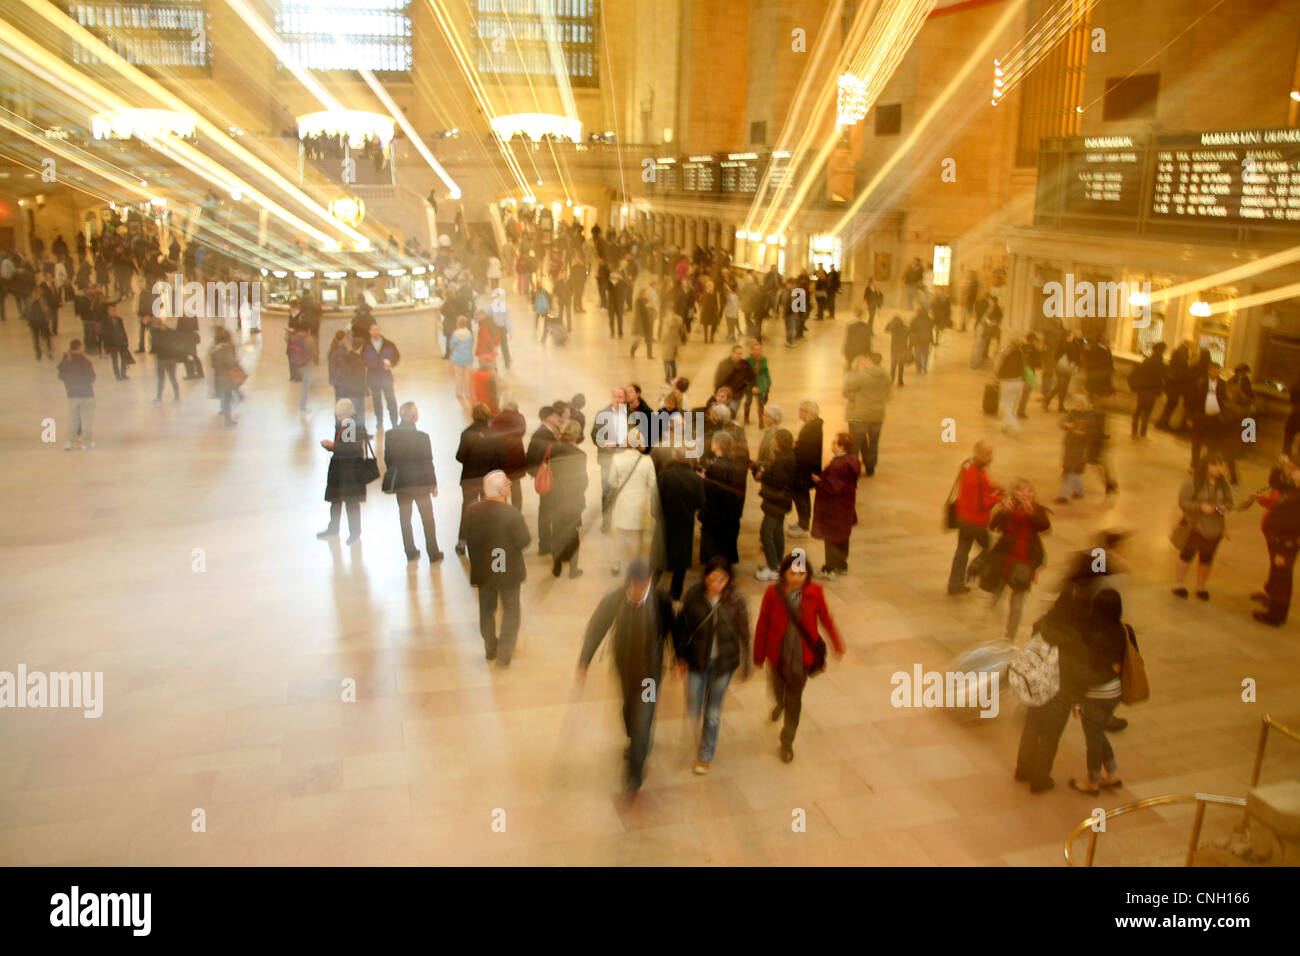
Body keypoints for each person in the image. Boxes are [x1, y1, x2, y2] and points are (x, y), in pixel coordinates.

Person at [577, 559, 676, 793]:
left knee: (644, 716)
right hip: (625, 668)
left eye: (643, 586)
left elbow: (674, 628)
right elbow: (596, 627)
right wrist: (585, 660)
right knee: (629, 710)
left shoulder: (660, 600)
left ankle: (635, 772)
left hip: (651, 673)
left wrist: (680, 657)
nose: (638, 590)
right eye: (635, 585)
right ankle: (636, 741)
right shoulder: (615, 598)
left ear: (650, 580)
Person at [752, 551, 846, 763]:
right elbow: (762, 623)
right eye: (792, 573)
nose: (796, 578)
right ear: (784, 573)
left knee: (794, 698)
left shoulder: (816, 593)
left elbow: (826, 619)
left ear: (807, 574)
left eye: (801, 573)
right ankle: (779, 703)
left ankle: (787, 741)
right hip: (777, 652)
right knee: (777, 688)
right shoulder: (772, 593)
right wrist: (758, 654)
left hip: (802, 655)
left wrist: (837, 643)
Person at [672, 557, 751, 774]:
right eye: (713, 578)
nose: (717, 584)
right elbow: (682, 629)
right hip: (697, 661)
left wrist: (746, 664)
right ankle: (695, 736)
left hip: (723, 664)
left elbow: (744, 634)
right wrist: (679, 658)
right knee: (694, 705)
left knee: (713, 711)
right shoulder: (694, 597)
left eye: (722, 579)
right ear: (705, 577)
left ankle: (706, 752)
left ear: (729, 579)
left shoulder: (735, 601)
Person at [1014, 579, 1091, 793]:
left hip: (1038, 685)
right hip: (1061, 693)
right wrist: (1079, 699)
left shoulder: (1041, 625)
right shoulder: (1077, 639)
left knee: (1031, 727)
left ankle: (1023, 769)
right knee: (1049, 737)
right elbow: (1080, 672)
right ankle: (1040, 780)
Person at [463, 470, 530, 665]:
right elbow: (524, 540)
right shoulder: (510, 512)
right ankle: (505, 653)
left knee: (486, 610)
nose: (510, 486)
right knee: (511, 609)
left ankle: (490, 647)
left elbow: (467, 535)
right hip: (506, 569)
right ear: (501, 490)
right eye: (507, 484)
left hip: (484, 569)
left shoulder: (471, 510)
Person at [1068, 588, 1129, 794]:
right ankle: (1113, 773)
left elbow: (1082, 671)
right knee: (1098, 731)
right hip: (1115, 692)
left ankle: (1092, 781)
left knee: (1092, 739)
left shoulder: (1091, 633)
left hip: (1094, 694)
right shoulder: (1122, 630)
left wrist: (1077, 700)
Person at [985, 479, 1051, 640]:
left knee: (1017, 603)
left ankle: (1010, 635)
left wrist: (1031, 514)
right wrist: (1003, 512)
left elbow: (1045, 527)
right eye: (1021, 490)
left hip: (1024, 563)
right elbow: (993, 526)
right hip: (1005, 560)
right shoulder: (1008, 509)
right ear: (1014, 493)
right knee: (997, 590)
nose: (1025, 494)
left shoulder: (1037, 511)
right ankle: (993, 605)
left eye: (1028, 491)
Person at [384, 402, 443, 563]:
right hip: (422, 485)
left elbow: (387, 460)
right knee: (428, 520)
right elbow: (428, 462)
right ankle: (433, 553)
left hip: (402, 485)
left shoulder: (390, 435)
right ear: (413, 416)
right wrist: (433, 485)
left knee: (405, 519)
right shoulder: (423, 437)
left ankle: (410, 552)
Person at [1173, 454, 1232, 600]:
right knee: (1187, 554)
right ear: (1206, 466)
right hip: (1194, 525)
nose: (1219, 469)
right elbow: (1183, 502)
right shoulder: (1192, 482)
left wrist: (1221, 509)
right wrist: (1200, 507)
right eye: (1215, 465)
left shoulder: (1224, 485)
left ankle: (1200, 587)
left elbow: (1229, 503)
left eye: (1221, 465)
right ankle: (1179, 584)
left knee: (1207, 558)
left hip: (1215, 528)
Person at [946, 441, 1003, 595]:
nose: (990, 457)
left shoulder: (968, 465)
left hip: (963, 518)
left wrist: (993, 487)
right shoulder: (975, 473)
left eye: (991, 454)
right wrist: (998, 497)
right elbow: (981, 503)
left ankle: (955, 583)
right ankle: (975, 569)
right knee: (988, 547)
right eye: (986, 454)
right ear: (976, 452)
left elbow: (980, 488)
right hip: (974, 522)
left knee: (962, 551)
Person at [652, 444, 706, 600]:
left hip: (664, 524)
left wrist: (656, 516)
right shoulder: (695, 479)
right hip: (684, 524)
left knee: (658, 559)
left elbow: (654, 500)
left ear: (674, 457)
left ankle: (650, 588)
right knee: (681, 563)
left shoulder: (664, 475)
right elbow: (700, 503)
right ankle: (675, 593)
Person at [455, 403, 508, 556]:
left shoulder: (466, 433)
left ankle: (462, 543)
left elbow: (459, 457)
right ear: (488, 415)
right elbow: (503, 458)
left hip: (470, 480)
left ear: (473, 415)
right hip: (490, 481)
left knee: (468, 510)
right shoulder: (495, 433)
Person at [316, 399, 370, 543]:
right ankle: (333, 528)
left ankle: (354, 533)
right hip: (341, 470)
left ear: (348, 413)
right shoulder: (346, 424)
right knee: (336, 500)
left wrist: (333, 446)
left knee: (351, 503)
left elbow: (352, 448)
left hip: (350, 471)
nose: (338, 419)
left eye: (340, 416)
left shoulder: (352, 426)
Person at [607, 428, 658, 576]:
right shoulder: (647, 460)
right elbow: (652, 484)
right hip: (640, 502)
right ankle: (633, 565)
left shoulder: (616, 458)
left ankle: (616, 565)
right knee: (637, 535)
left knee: (620, 534)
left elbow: (612, 481)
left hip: (623, 500)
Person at [812, 432, 861, 578]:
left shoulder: (836, 465)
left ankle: (829, 569)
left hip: (832, 508)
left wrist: (819, 481)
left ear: (841, 446)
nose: (831, 444)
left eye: (834, 442)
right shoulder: (853, 460)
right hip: (846, 506)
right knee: (843, 536)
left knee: (831, 538)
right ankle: (842, 564)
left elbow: (832, 488)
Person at [700, 432, 745, 566]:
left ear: (718, 445)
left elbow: (716, 489)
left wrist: (704, 480)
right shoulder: (731, 461)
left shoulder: (718, 465)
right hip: (729, 513)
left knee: (715, 547)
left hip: (717, 513)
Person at [549, 420, 588, 578]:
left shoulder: (553, 450)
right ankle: (573, 570)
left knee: (557, 533)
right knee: (573, 535)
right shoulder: (580, 455)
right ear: (576, 435)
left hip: (555, 499)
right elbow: (583, 481)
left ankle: (556, 568)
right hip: (573, 502)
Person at [755, 429, 795, 580]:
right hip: (783, 501)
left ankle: (773, 567)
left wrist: (763, 475)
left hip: (775, 501)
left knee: (766, 532)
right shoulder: (789, 455)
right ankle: (777, 563)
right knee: (777, 531)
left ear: (779, 442)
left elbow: (777, 483)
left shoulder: (781, 460)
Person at [842, 353, 890, 476]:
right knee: (874, 443)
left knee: (856, 444)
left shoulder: (861, 376)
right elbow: (889, 395)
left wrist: (856, 398)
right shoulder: (886, 376)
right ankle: (870, 468)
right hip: (878, 415)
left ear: (870, 361)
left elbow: (846, 391)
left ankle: (853, 470)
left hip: (860, 415)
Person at [526, 405, 562, 555]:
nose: (557, 418)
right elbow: (535, 457)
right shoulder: (544, 434)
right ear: (548, 417)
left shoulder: (541, 433)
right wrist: (540, 474)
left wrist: (537, 474)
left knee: (545, 511)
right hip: (551, 479)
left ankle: (545, 544)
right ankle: (547, 544)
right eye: (555, 415)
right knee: (549, 512)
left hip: (546, 478)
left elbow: (530, 457)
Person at [789, 401, 822, 538]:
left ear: (809, 412)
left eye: (802, 410)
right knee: (803, 495)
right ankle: (803, 521)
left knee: (799, 495)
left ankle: (804, 525)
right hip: (807, 468)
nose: (799, 413)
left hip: (804, 469)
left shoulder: (810, 430)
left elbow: (806, 450)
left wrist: (794, 447)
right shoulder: (812, 426)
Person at [57, 339, 95, 450]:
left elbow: (61, 375)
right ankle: (85, 443)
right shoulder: (84, 361)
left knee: (73, 419)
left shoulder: (65, 360)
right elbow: (91, 376)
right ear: (79, 347)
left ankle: (70, 441)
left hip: (72, 393)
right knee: (87, 419)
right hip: (86, 393)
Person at [491, 401, 528, 510]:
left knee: (502, 485)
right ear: (516, 408)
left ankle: (503, 509)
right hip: (516, 454)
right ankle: (517, 510)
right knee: (515, 484)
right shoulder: (520, 417)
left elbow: (493, 434)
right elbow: (522, 431)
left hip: (501, 454)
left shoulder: (498, 418)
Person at [363, 325, 400, 432]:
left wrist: (392, 363)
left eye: (378, 330)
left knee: (391, 400)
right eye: (374, 330)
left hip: (386, 377)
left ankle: (394, 422)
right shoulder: (366, 345)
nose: (376, 332)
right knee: (376, 401)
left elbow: (397, 356)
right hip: (373, 378)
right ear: (370, 332)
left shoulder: (389, 344)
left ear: (381, 331)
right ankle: (379, 422)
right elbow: (362, 359)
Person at [1128, 342, 1166, 438]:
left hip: (1143, 389)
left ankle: (1134, 430)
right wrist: (1159, 391)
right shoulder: (1160, 363)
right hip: (1151, 391)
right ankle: (1143, 432)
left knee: (1139, 410)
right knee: (1147, 412)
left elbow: (1136, 373)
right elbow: (1160, 378)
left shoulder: (1148, 360)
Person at [1155, 342, 1192, 431]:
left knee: (1170, 405)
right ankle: (1162, 422)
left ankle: (1162, 422)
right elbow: (1182, 372)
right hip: (1175, 387)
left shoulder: (1176, 355)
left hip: (1171, 386)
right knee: (1171, 405)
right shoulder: (1183, 356)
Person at [209, 328, 241, 426]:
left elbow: (212, 363)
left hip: (219, 376)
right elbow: (231, 361)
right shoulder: (228, 347)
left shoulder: (214, 348)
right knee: (227, 396)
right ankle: (228, 419)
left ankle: (224, 410)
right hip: (227, 376)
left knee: (224, 395)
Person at [995, 338, 1026, 434]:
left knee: (1005, 405)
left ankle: (1014, 424)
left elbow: (1001, 367)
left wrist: (997, 378)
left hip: (1008, 382)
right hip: (1018, 382)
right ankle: (1004, 426)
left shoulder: (1007, 355)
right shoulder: (1021, 355)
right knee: (1011, 405)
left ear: (1012, 346)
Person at [99, 301, 131, 380]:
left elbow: (123, 330)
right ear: (108, 311)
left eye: (115, 310)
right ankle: (117, 375)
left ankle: (123, 374)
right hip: (112, 344)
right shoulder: (104, 321)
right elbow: (103, 334)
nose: (114, 312)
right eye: (112, 310)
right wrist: (106, 345)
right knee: (115, 361)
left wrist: (126, 341)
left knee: (124, 359)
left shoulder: (119, 319)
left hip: (121, 343)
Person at [743, 340, 771, 426]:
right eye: (755, 349)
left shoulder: (764, 359)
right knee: (748, 401)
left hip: (760, 383)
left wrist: (769, 382)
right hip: (749, 384)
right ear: (751, 350)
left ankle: (761, 421)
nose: (757, 351)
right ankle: (746, 417)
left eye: (759, 349)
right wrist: (752, 386)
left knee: (761, 402)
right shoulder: (746, 360)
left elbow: (766, 371)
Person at [659, 305, 685, 385]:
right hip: (675, 343)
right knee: (672, 362)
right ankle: (674, 378)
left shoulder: (666, 320)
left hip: (667, 343)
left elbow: (665, 333)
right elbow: (682, 331)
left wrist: (661, 340)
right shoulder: (679, 319)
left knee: (666, 362)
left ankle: (667, 379)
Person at [449, 316, 474, 399]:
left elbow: (452, 346)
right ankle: (467, 393)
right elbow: (471, 344)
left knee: (458, 375)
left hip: (457, 357)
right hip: (468, 357)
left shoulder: (455, 334)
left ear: (457, 323)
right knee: (467, 376)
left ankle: (459, 392)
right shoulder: (469, 334)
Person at [25, 291, 53, 361]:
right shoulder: (42, 300)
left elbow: (26, 312)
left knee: (37, 339)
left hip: (35, 323)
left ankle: (39, 354)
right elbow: (47, 310)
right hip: (41, 322)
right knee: (45, 338)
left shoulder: (29, 300)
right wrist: (47, 318)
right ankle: (48, 352)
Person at [885, 314, 909, 385]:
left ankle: (891, 379)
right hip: (903, 347)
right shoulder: (905, 328)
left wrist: (890, 322)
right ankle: (900, 381)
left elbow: (886, 329)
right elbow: (910, 333)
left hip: (894, 347)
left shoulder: (893, 329)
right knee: (901, 364)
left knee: (893, 364)